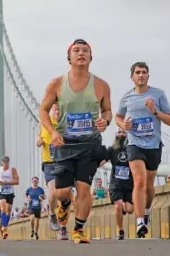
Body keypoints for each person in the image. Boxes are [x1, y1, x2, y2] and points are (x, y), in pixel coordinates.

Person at [39, 39, 112, 244]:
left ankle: (78, 229)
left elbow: (107, 111)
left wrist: (104, 120)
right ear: (69, 57)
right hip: (64, 143)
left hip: (90, 144)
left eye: (85, 51)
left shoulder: (101, 85)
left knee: (84, 187)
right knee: (63, 191)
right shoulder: (56, 84)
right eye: (76, 51)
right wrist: (52, 131)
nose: (81, 53)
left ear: (91, 57)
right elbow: (43, 111)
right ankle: (63, 204)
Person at [115, 62, 170, 238]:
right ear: (132, 76)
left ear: (148, 76)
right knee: (139, 181)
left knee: (149, 186)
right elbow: (118, 117)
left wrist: (155, 111)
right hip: (134, 144)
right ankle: (140, 221)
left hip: (153, 145)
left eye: (144, 72)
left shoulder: (158, 94)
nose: (141, 75)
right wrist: (122, 124)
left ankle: (147, 211)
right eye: (138, 72)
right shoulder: (126, 97)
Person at [36, 103, 64, 238]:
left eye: (60, 105)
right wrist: (39, 141)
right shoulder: (45, 123)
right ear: (51, 108)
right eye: (55, 106)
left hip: (64, 162)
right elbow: (39, 138)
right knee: (53, 192)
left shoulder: (65, 123)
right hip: (50, 163)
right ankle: (52, 214)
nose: (57, 108)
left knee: (65, 196)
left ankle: (63, 227)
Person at [105, 129, 134, 240]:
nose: (121, 134)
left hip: (129, 184)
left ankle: (124, 208)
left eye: (124, 133)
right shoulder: (112, 149)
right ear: (116, 134)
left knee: (130, 210)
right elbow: (102, 160)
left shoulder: (132, 149)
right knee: (118, 205)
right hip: (116, 183)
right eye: (119, 132)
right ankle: (120, 230)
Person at [0, 155, 19, 239]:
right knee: (3, 208)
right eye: (4, 161)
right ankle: (3, 229)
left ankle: (4, 227)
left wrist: (7, 183)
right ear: (2, 162)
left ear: (8, 162)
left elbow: (17, 181)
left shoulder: (13, 170)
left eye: (7, 161)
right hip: (1, 192)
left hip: (10, 192)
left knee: (9, 210)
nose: (5, 163)